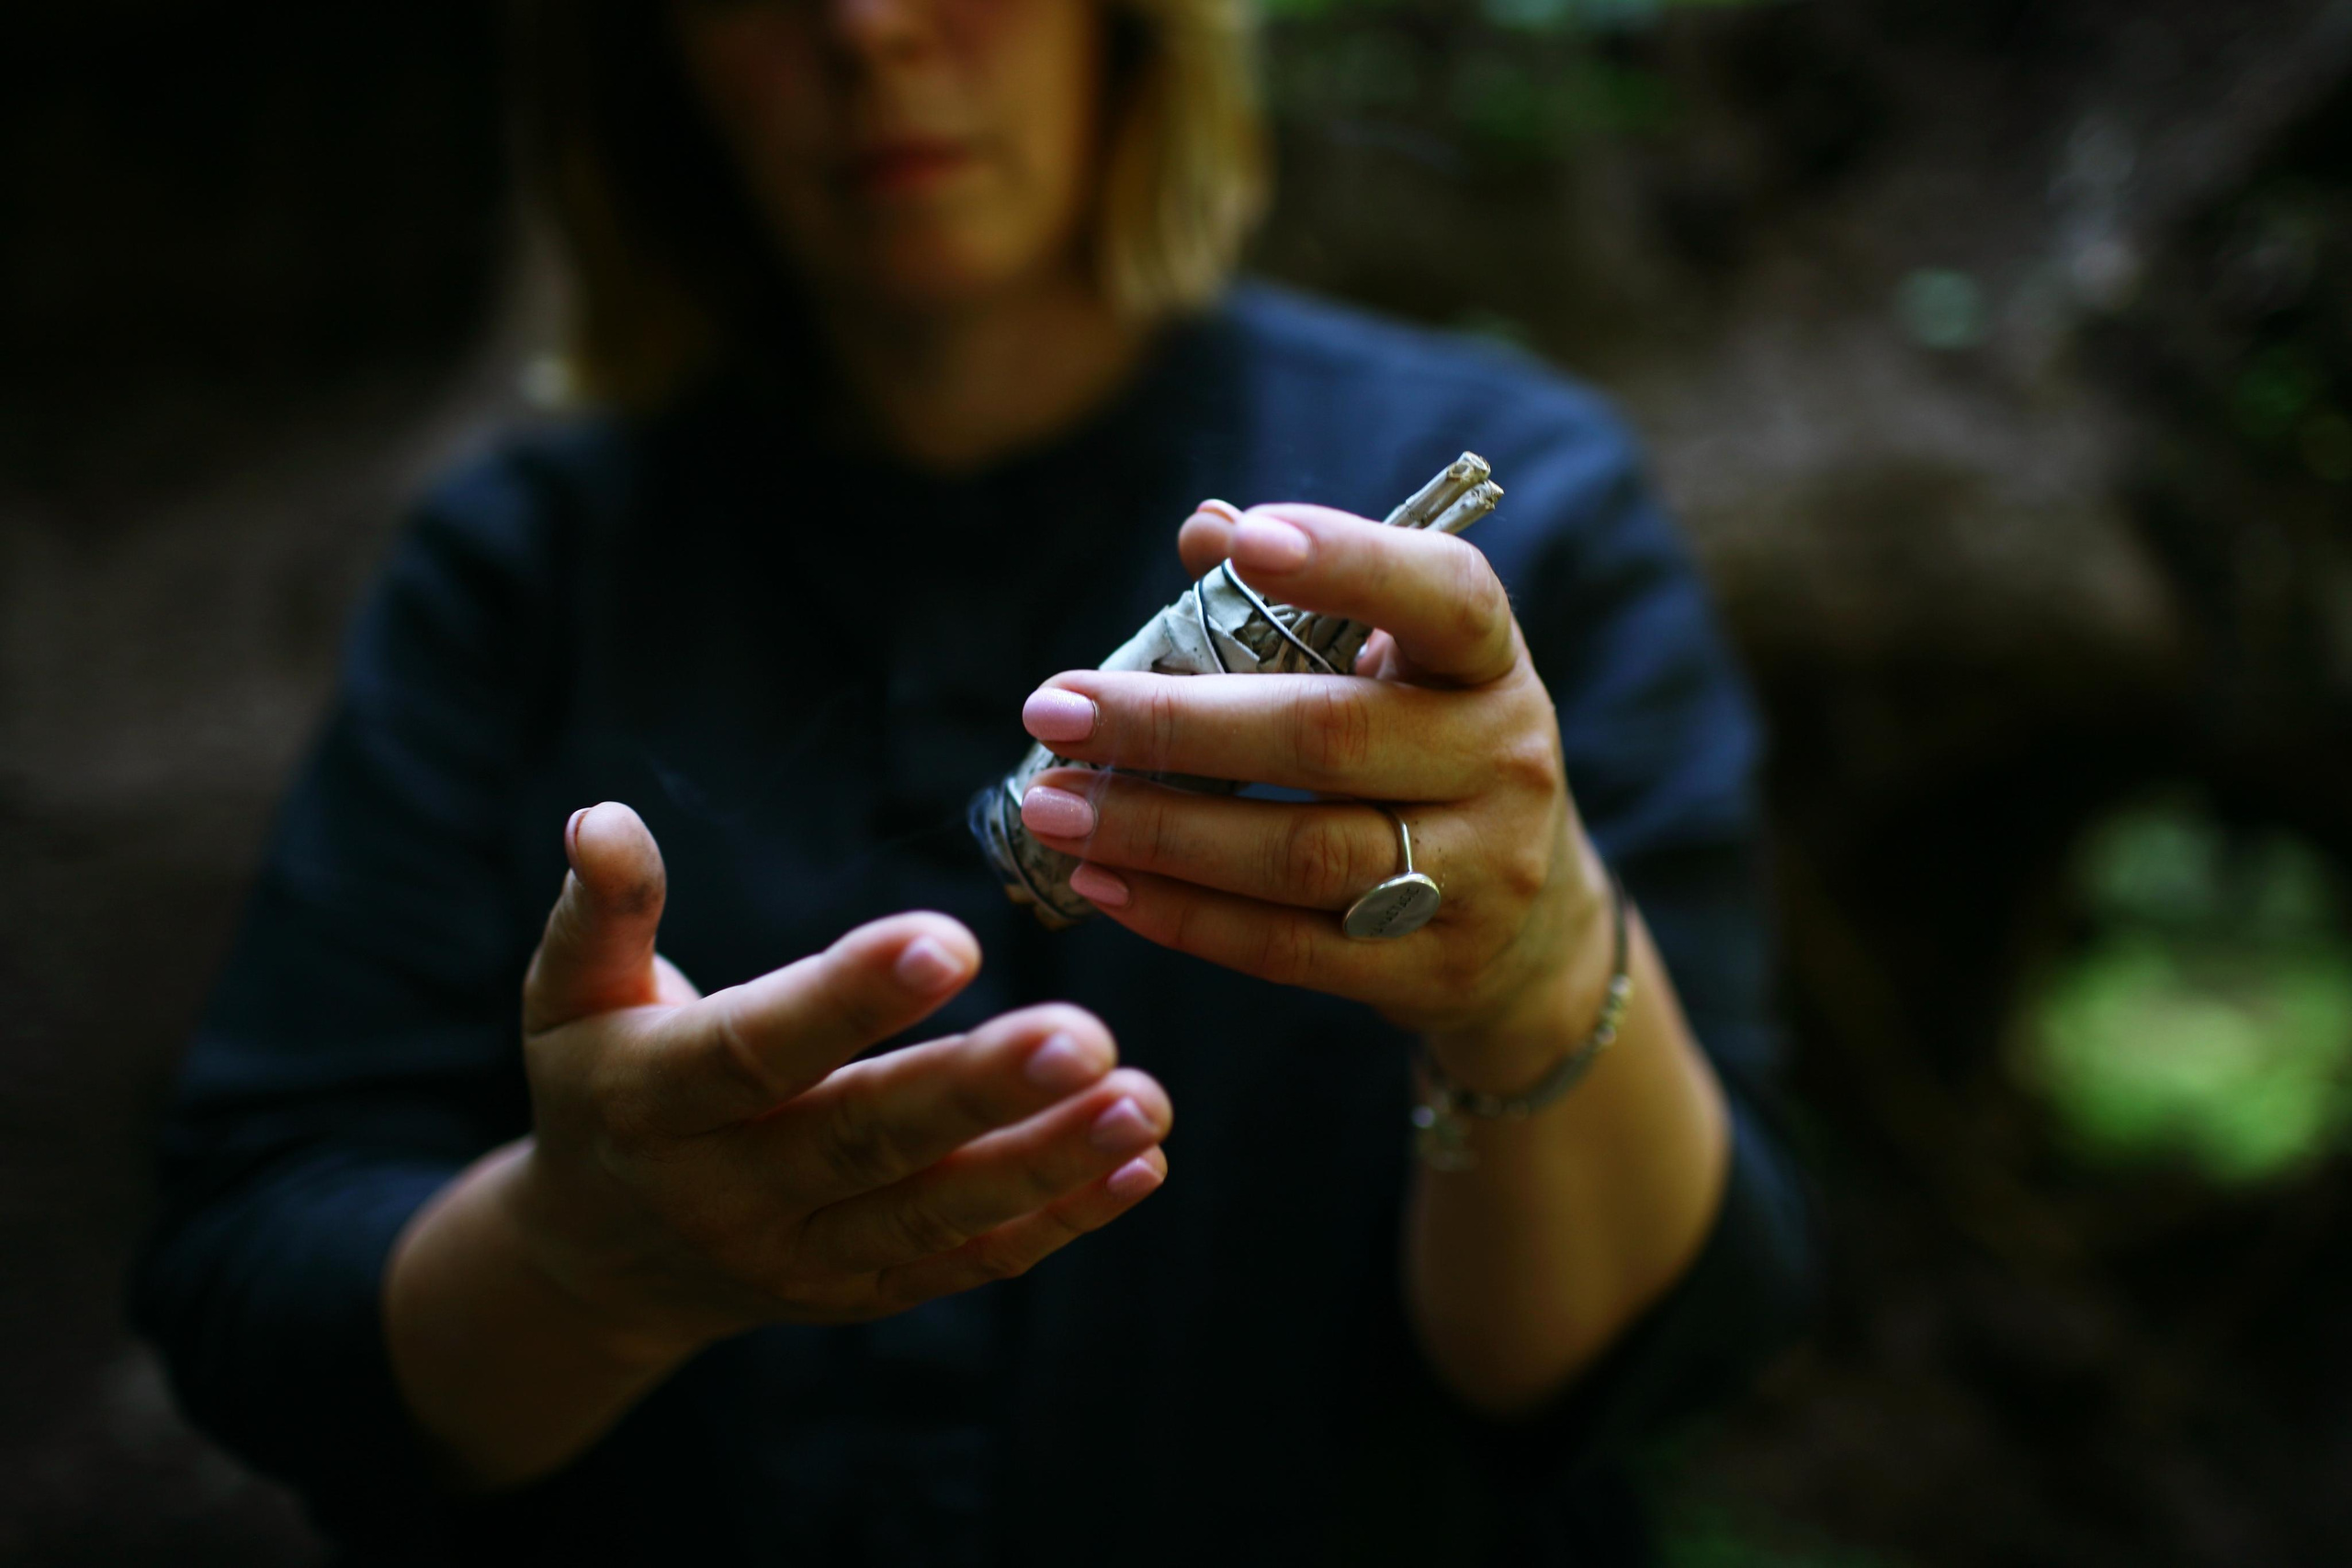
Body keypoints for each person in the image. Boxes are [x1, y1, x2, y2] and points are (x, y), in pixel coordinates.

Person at [132, 0, 1812, 1559]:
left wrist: (1535, 975)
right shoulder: (520, 574)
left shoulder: (1527, 531)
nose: (868, 28)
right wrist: (582, 1272)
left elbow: (1676, 1348)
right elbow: (254, 1286)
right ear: (657, 56)